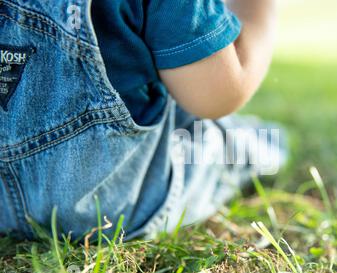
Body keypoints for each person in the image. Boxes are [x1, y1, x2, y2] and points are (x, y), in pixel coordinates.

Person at [0, 0, 286, 241]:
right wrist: (258, 12)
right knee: (226, 141)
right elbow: (217, 96)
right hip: (112, 200)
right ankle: (272, 142)